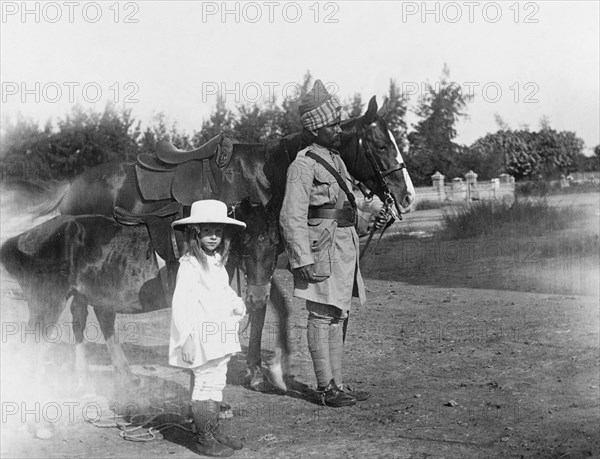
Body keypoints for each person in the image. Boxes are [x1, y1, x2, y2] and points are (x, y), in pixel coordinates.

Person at [280, 80, 389, 407]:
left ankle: (338, 384)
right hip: (318, 250)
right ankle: (326, 387)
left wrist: (369, 218)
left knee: (339, 314)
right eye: (332, 125)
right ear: (314, 131)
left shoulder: (336, 159)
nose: (339, 129)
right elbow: (291, 216)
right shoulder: (302, 165)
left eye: (339, 123)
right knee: (320, 315)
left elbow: (342, 208)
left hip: (343, 246)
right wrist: (302, 259)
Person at [170, 199, 247, 457]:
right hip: (200, 333)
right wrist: (187, 338)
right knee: (204, 381)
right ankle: (203, 438)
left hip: (220, 331)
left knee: (217, 380)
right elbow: (182, 303)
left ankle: (212, 430)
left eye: (218, 232)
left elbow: (223, 290)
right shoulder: (190, 265)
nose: (213, 237)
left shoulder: (216, 262)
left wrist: (236, 302)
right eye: (207, 231)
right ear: (196, 233)